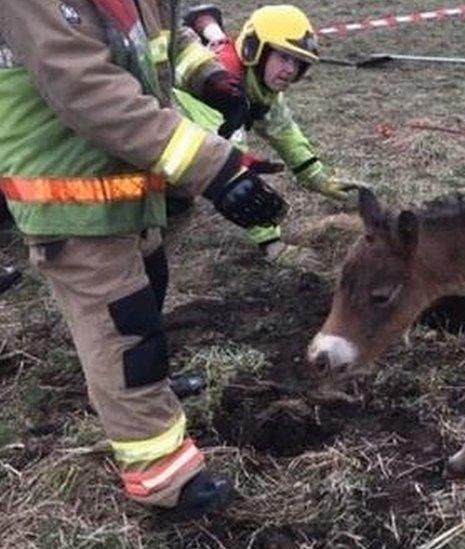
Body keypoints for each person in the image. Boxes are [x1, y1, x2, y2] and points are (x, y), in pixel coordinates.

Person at [0, 0, 287, 518]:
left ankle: (148, 396)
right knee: (126, 334)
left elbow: (165, 41)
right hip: (73, 196)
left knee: (149, 287)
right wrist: (214, 168)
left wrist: (210, 78)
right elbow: (88, 92)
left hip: (123, 179)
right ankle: (164, 480)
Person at [179, 4, 350, 267]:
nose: (290, 70)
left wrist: (317, 178)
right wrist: (272, 243)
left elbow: (283, 130)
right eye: (283, 57)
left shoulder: (258, 82)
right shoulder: (222, 91)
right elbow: (236, 177)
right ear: (253, 49)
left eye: (298, 62)